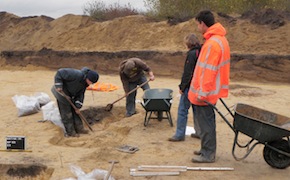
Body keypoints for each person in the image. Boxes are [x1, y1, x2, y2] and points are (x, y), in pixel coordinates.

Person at [188, 10, 230, 163]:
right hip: (210, 91)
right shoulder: (219, 40)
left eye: (198, 24)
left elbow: (209, 71)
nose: (198, 28)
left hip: (206, 93)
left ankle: (208, 154)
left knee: (206, 125)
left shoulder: (212, 44)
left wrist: (203, 92)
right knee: (206, 123)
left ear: (203, 24)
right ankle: (205, 149)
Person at [168, 33, 202, 142]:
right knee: (197, 110)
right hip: (199, 86)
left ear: (188, 43)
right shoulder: (201, 52)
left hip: (190, 87)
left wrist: (182, 87)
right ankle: (199, 132)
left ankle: (179, 134)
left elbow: (187, 73)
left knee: (182, 110)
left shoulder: (192, 54)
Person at [51, 67, 99, 137]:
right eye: (90, 81)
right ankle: (71, 132)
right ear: (87, 77)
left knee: (75, 112)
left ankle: (79, 128)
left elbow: (80, 94)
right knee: (67, 114)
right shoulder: (76, 74)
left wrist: (78, 105)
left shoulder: (84, 84)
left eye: (92, 83)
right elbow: (60, 73)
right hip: (61, 93)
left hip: (70, 95)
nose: (91, 83)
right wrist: (59, 85)